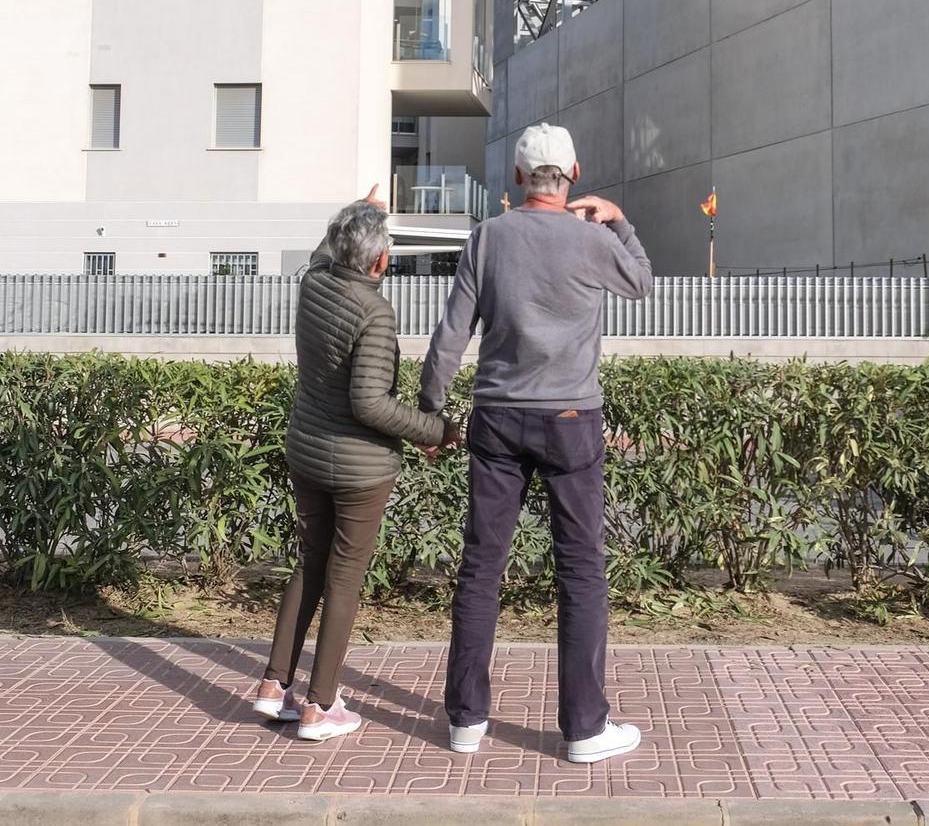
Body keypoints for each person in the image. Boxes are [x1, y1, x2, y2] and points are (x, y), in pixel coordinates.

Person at [418, 123, 653, 764]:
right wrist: (620, 220)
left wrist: (431, 413)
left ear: (518, 177)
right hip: (572, 417)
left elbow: (450, 335)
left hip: (496, 417)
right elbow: (642, 281)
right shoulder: (591, 239)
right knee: (580, 571)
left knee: (481, 567)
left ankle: (466, 720)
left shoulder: (488, 237)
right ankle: (583, 728)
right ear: (573, 174)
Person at [251, 188, 457, 741]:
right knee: (343, 579)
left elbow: (325, 248)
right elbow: (371, 403)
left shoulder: (314, 282)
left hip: (307, 451)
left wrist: (358, 209)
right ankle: (320, 707)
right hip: (359, 470)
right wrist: (436, 431)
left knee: (310, 564)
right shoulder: (374, 312)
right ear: (381, 261)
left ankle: (275, 686)